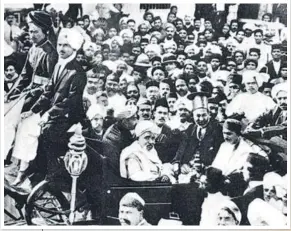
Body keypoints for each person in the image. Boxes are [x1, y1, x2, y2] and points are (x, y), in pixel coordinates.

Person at [16, 28, 86, 180]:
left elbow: (71, 101)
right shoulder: (58, 65)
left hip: (70, 117)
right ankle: (30, 169)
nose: (61, 49)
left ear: (74, 47)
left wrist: (48, 114)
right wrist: (33, 111)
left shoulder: (78, 72)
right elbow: (48, 92)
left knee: (47, 132)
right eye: (60, 45)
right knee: (27, 124)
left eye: (66, 45)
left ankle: (50, 176)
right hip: (55, 113)